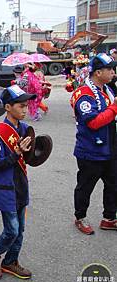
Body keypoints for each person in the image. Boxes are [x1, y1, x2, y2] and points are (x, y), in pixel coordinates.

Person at [0, 85, 35, 280]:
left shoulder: (23, 128)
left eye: (26, 106)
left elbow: (31, 157)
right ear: (7, 107)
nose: (25, 109)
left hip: (20, 185)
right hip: (6, 188)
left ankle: (11, 261)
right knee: (11, 229)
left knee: (20, 229)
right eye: (20, 106)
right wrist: (17, 153)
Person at [70, 53, 117, 234]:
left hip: (110, 148)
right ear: (98, 72)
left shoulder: (108, 90)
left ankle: (109, 218)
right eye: (110, 69)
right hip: (91, 150)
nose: (113, 72)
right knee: (85, 187)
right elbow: (94, 122)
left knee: (113, 184)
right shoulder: (83, 94)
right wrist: (115, 107)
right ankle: (80, 217)